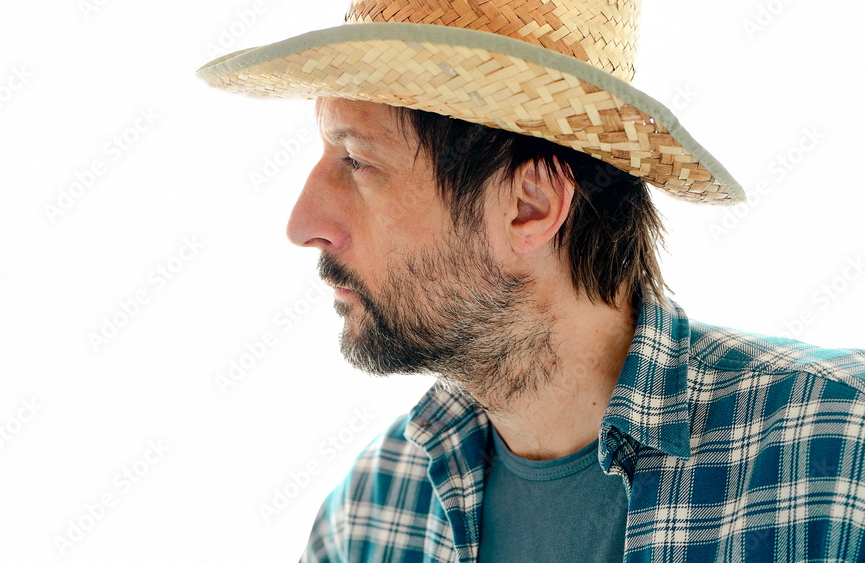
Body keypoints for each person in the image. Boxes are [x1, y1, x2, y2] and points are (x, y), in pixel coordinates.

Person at [197, 0, 865, 560]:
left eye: (357, 160)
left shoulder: (839, 451)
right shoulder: (369, 518)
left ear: (530, 205)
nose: (304, 223)